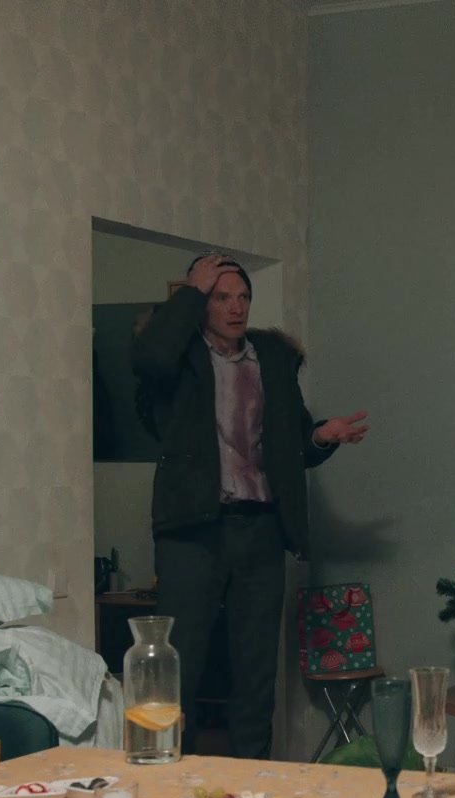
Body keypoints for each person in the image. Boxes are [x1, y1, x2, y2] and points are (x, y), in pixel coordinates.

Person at [132, 254, 369, 759]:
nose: (236, 307)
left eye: (242, 297)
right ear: (202, 304)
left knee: (256, 669)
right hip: (192, 531)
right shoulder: (181, 357)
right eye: (221, 298)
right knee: (181, 664)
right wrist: (189, 292)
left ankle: (255, 777)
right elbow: (149, 359)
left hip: (259, 528)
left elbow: (292, 443)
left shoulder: (271, 359)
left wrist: (321, 436)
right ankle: (173, 773)